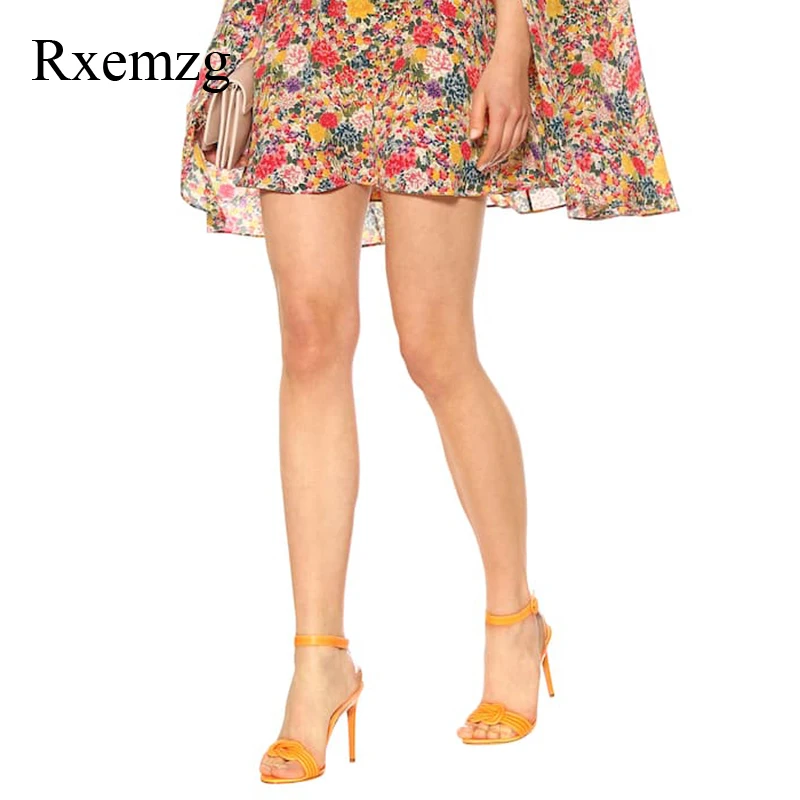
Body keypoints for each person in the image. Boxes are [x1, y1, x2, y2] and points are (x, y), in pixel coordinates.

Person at [179, 0, 678, 784]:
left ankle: (514, 618)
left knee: (435, 345)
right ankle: (319, 663)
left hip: (433, 31)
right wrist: (232, 50)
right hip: (302, 29)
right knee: (309, 338)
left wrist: (511, 46)